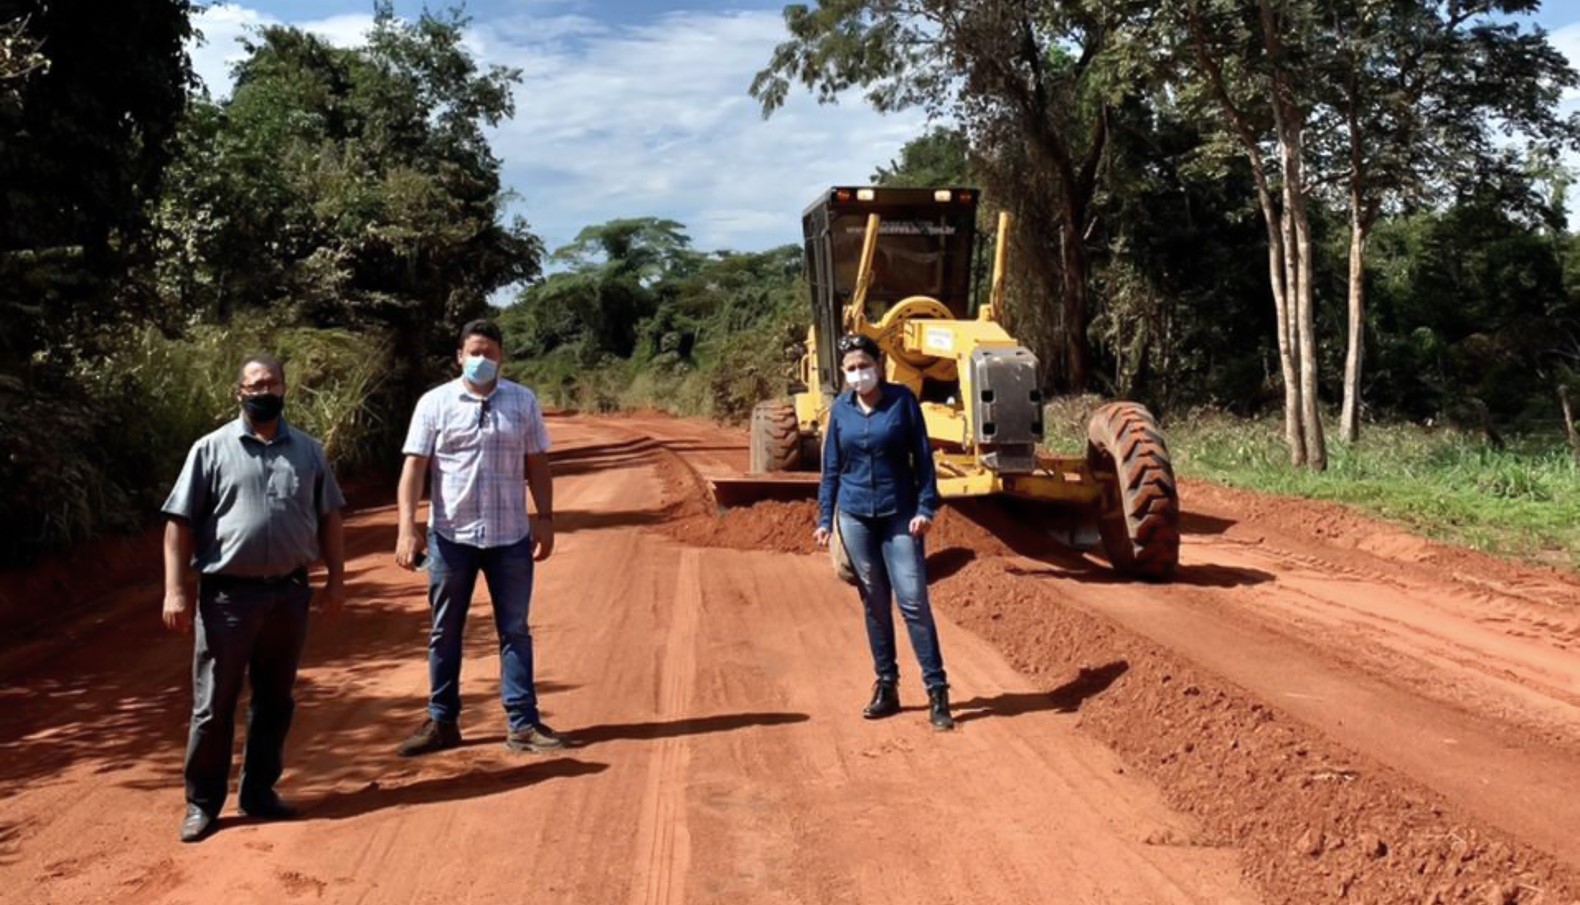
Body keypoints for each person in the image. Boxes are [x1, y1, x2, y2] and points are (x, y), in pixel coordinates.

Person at [161, 353, 347, 843]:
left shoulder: (308, 452)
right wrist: (176, 589)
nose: (264, 391)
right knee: (214, 703)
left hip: (288, 593)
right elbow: (178, 523)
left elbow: (330, 517)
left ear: (285, 389)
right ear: (238, 393)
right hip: (227, 599)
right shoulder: (209, 450)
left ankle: (259, 792)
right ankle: (202, 804)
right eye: (254, 384)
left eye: (272, 383)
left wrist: (336, 581)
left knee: (275, 700)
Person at [393, 318, 563, 756]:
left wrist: (544, 518)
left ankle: (523, 724)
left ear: (501, 356)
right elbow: (414, 467)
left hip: (510, 536)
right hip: (450, 537)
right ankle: (442, 721)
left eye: (489, 351)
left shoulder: (522, 402)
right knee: (444, 630)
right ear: (459, 357)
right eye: (474, 351)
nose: (481, 359)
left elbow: (537, 464)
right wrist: (407, 527)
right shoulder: (434, 404)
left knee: (515, 630)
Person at [814, 333, 954, 731]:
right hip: (856, 515)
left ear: (879, 365)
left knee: (912, 601)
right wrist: (826, 518)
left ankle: (937, 691)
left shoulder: (903, 402)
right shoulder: (839, 411)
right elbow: (831, 469)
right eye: (851, 369)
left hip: (901, 513)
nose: (859, 374)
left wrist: (926, 506)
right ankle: (886, 685)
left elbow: (923, 459)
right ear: (843, 374)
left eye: (864, 365)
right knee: (874, 603)